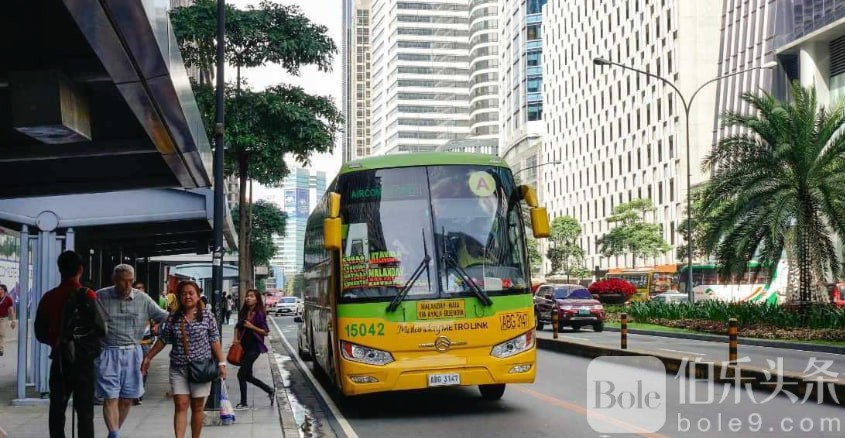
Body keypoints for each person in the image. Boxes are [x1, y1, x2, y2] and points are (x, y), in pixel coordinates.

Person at [34, 250, 107, 438]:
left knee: (57, 410)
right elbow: (102, 329)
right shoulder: (88, 295)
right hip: (83, 362)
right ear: (81, 269)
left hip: (59, 360)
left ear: (60, 270)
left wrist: (57, 342)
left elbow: (39, 333)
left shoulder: (49, 297)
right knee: (85, 413)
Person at [141, 280, 226, 438]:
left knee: (197, 407)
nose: (187, 296)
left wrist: (221, 362)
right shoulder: (173, 317)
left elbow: (214, 339)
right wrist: (148, 357)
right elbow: (163, 339)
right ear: (179, 297)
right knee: (180, 405)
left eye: (191, 293)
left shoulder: (207, 315)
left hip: (201, 369)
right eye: (184, 294)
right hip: (178, 368)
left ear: (198, 295)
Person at [96, 264, 168, 438]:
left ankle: (115, 431)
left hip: (132, 352)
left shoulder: (142, 299)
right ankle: (114, 433)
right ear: (114, 280)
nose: (127, 286)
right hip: (108, 352)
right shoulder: (101, 296)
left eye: (131, 281)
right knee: (110, 396)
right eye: (123, 281)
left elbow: (165, 316)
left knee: (127, 398)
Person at [234, 289, 275, 410]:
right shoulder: (244, 312)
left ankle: (244, 403)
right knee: (247, 376)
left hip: (254, 348)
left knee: (241, 374)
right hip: (244, 347)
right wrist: (235, 339)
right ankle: (269, 390)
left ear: (257, 299)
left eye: (251, 296)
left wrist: (252, 327)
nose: (248, 298)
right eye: (247, 296)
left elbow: (266, 332)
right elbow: (238, 326)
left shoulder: (259, 313)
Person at [0, 284, 16, 356]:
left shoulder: (8, 299)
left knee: (2, 334)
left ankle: (1, 349)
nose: (0, 290)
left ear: (4, 290)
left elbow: (11, 310)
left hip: (3, 319)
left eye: (1, 289)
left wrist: (13, 320)